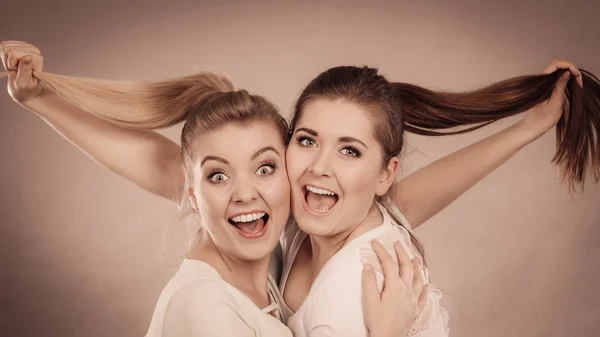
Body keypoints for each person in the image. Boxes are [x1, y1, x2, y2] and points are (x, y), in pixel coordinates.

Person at [3, 40, 599, 336]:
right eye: (308, 141)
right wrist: (41, 97)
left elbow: (403, 202)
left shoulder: (347, 277)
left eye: (350, 152)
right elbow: (168, 166)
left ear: (383, 172)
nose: (319, 169)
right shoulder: (285, 230)